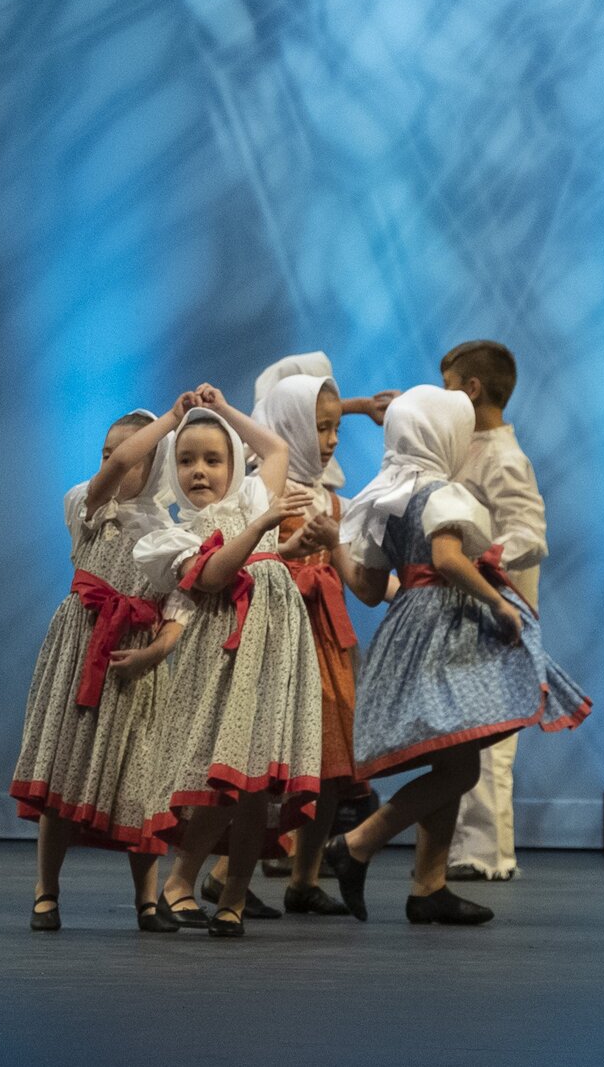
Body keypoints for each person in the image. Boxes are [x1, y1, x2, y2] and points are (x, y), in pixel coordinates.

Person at [328, 388, 589, 926]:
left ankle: (429, 885)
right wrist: (496, 600)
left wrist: (336, 542)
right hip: (446, 629)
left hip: (408, 630)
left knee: (455, 756)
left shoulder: (384, 500)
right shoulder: (445, 493)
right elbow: (447, 559)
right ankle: (356, 844)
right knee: (460, 767)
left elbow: (371, 588)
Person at [139, 388, 325, 937]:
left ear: (232, 465)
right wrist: (262, 523)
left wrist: (223, 411)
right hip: (223, 659)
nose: (199, 471)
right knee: (226, 776)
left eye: (213, 459)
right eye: (186, 460)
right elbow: (217, 575)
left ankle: (235, 897)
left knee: (256, 786)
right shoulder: (174, 534)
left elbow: (275, 451)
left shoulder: (249, 497)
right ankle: (180, 882)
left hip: (275, 649)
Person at [11, 406, 193, 932]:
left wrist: (156, 652)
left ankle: (146, 899)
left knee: (142, 779)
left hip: (133, 665)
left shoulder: (170, 536)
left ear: (154, 464)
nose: (112, 462)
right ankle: (46, 891)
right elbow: (111, 477)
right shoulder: (88, 507)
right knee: (62, 768)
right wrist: (171, 420)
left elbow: (181, 611)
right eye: (105, 453)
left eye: (128, 454)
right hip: (81, 649)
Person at [431, 340, 552, 884]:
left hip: (497, 608)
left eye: (449, 384)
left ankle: (487, 852)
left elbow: (530, 532)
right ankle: (471, 846)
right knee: (470, 727)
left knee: (491, 732)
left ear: (470, 389)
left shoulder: (503, 455)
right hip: (475, 605)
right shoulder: (472, 447)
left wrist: (483, 560)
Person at [247, 371, 363, 916]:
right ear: (291, 427)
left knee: (333, 767)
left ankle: (305, 877)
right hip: (280, 637)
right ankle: (228, 871)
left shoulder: (332, 501)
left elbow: (353, 574)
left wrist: (335, 548)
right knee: (273, 762)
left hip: (326, 638)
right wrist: (294, 550)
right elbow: (249, 568)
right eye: (321, 428)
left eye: (336, 428)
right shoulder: (263, 494)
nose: (332, 439)